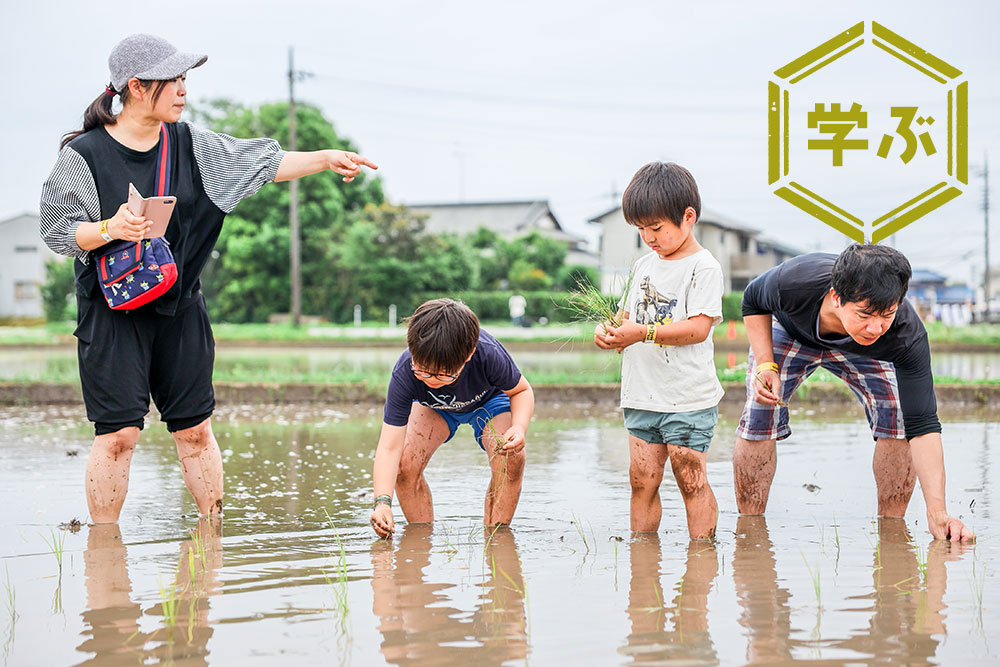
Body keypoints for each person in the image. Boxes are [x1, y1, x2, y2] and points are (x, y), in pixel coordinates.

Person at [39, 34, 377, 524]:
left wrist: (325, 158)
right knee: (119, 436)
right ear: (135, 86)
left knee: (195, 430)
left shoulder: (193, 144)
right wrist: (111, 227)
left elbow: (264, 162)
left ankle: (211, 543)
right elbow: (56, 230)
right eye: (172, 80)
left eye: (184, 79)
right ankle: (105, 555)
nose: (182, 89)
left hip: (179, 309)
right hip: (112, 314)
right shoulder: (85, 155)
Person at [734, 243, 974, 541]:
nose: (876, 327)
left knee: (898, 415)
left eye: (887, 314)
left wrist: (937, 512)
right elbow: (752, 301)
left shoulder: (904, 334)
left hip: (862, 351)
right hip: (791, 329)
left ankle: (891, 534)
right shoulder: (794, 280)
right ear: (836, 297)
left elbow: (923, 425)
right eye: (865, 314)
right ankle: (750, 532)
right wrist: (765, 363)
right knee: (761, 413)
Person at [594, 162, 724, 539]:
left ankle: (700, 563)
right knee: (641, 480)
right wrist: (611, 332)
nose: (648, 237)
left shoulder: (704, 267)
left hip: (686, 397)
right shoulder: (643, 266)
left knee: (690, 479)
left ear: (688, 217)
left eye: (656, 228)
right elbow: (625, 318)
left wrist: (642, 333)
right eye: (640, 230)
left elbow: (699, 328)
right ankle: (642, 559)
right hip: (642, 394)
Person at [369, 298, 533, 537]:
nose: (431, 379)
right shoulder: (405, 371)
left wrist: (519, 427)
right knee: (405, 465)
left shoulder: (487, 353)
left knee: (511, 459)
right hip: (435, 407)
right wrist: (382, 502)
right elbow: (389, 446)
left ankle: (496, 541)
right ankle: (420, 540)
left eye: (443, 375)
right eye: (423, 371)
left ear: (468, 356)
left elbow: (521, 390)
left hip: (489, 402)